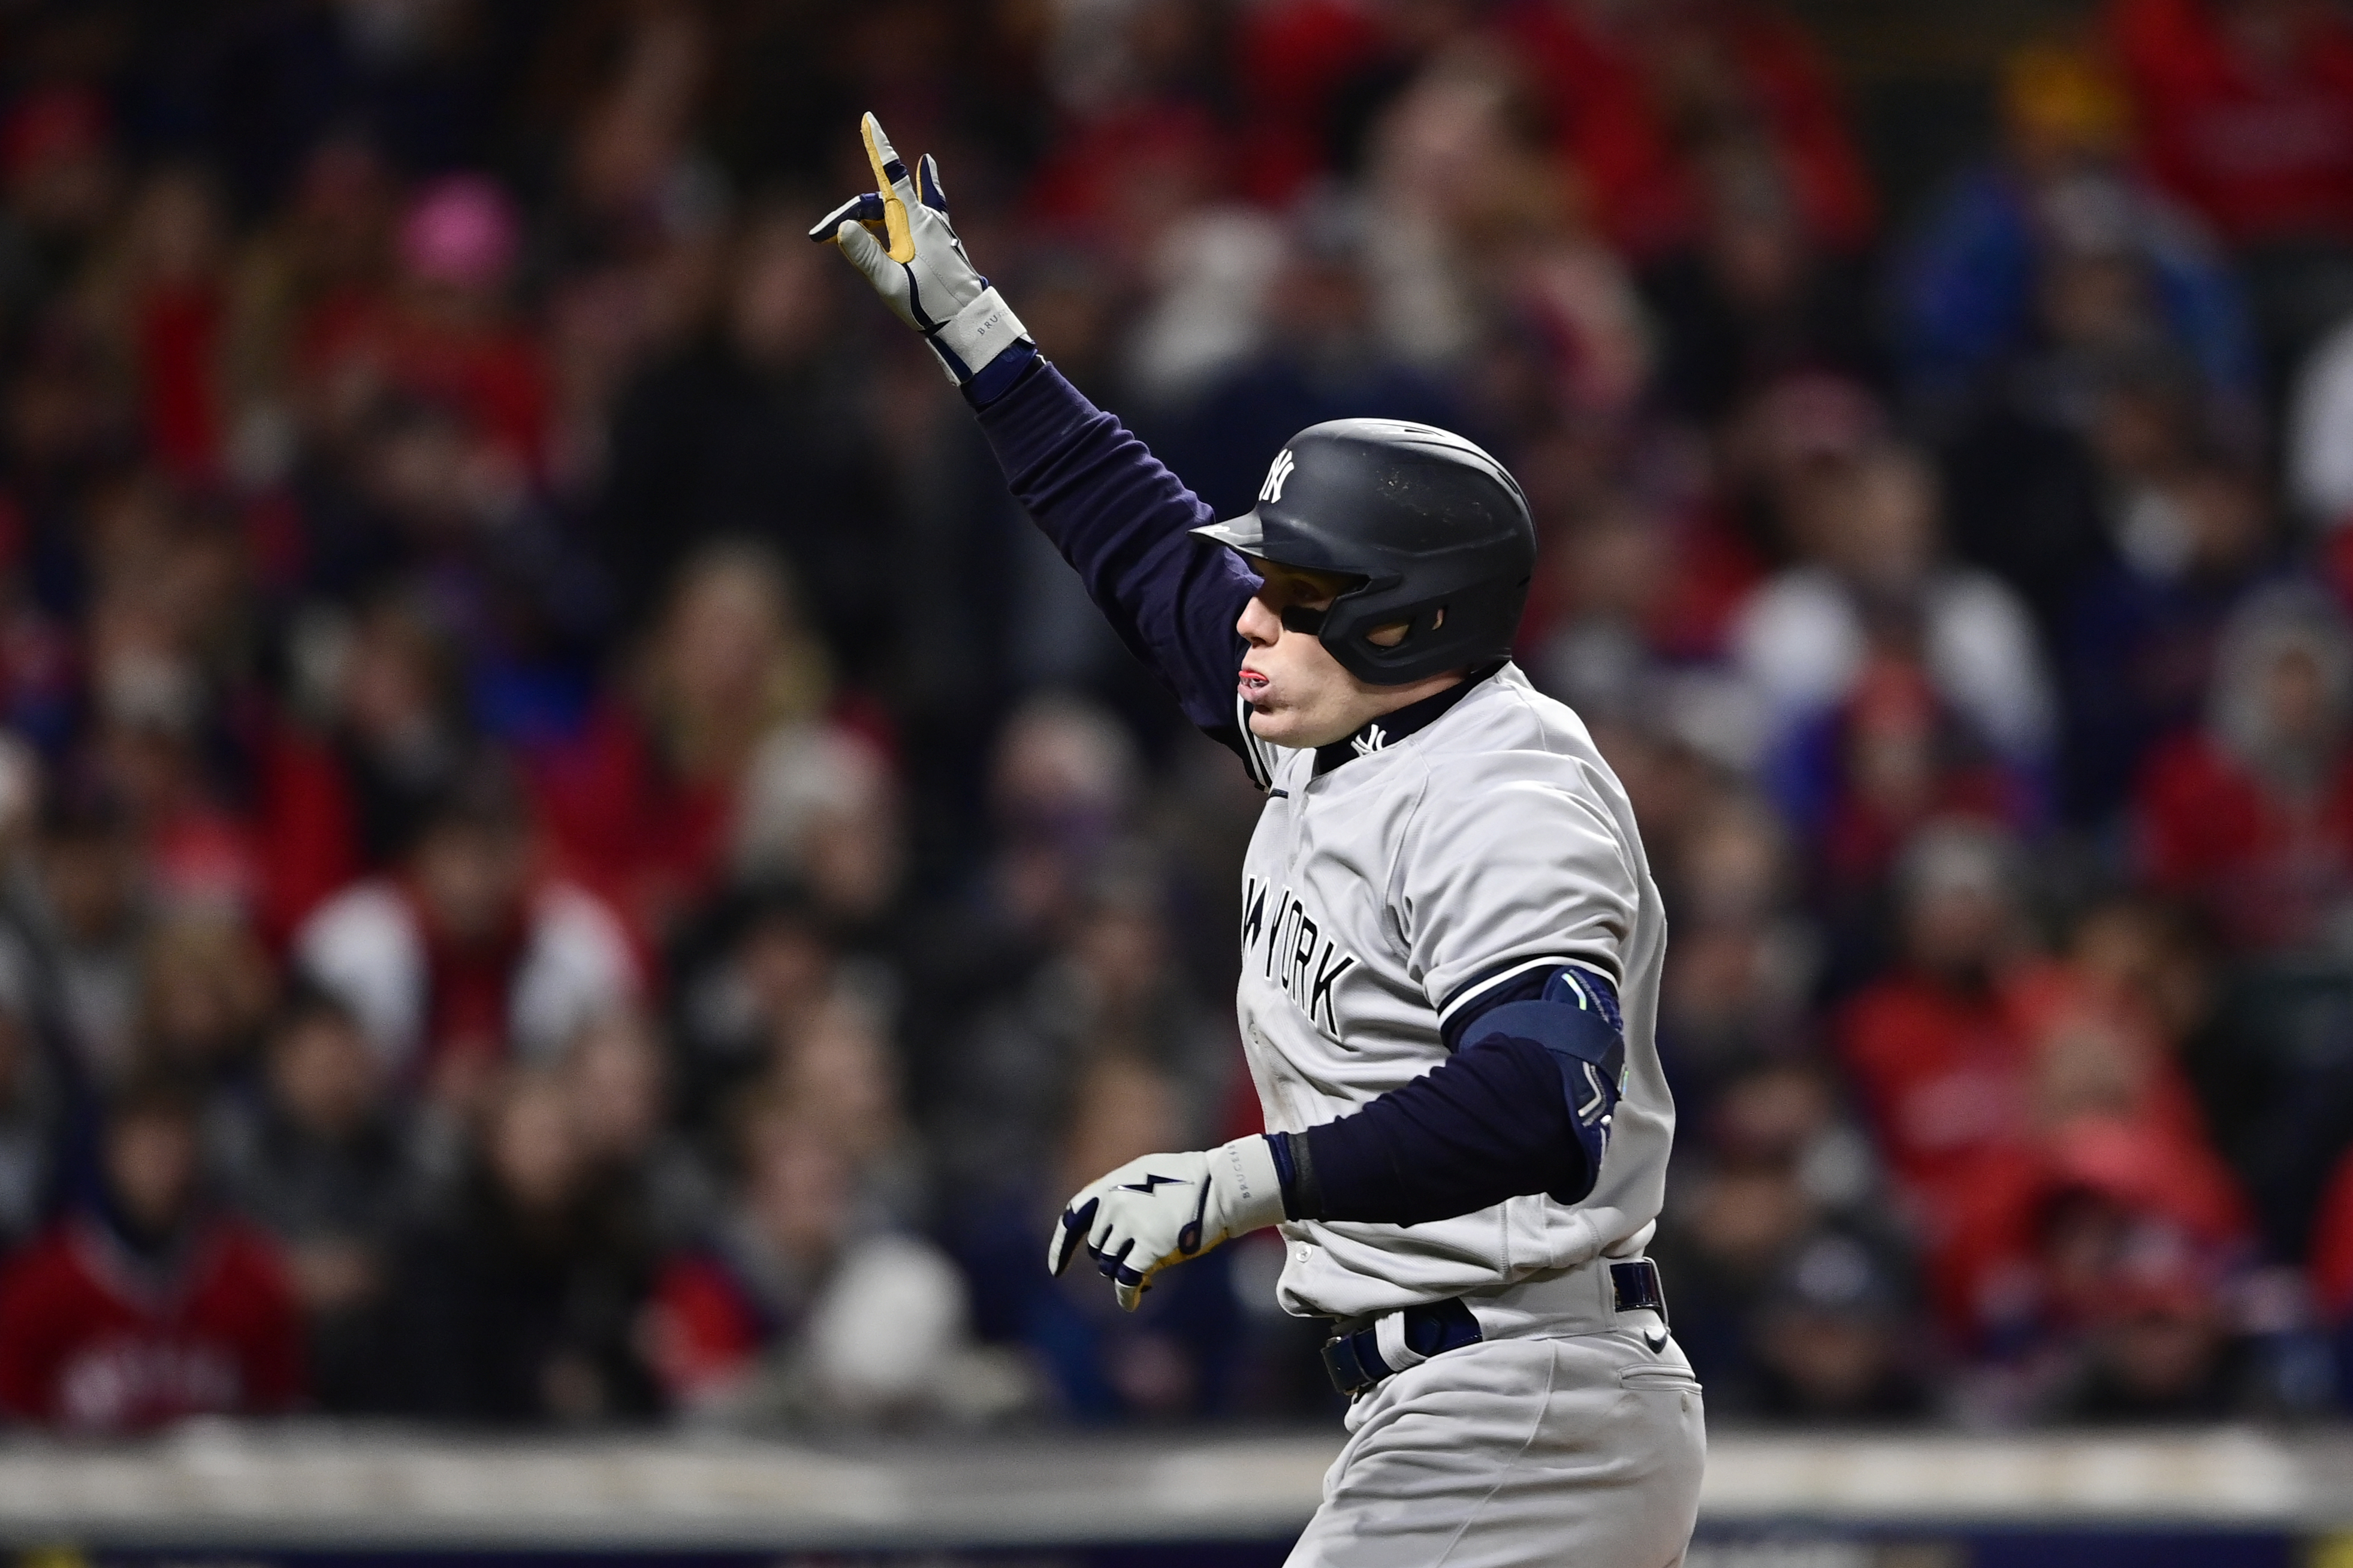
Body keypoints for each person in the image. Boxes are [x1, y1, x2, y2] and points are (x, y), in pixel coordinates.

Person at [817, 116, 1700, 1567]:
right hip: (1472, 1397)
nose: (1248, 611)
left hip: (1524, 1401)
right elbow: (1141, 542)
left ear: (1404, 617)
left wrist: (1242, 1184)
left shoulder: (1505, 793)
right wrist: (973, 327)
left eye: (1291, 589)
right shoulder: (1341, 728)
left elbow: (1545, 1094)